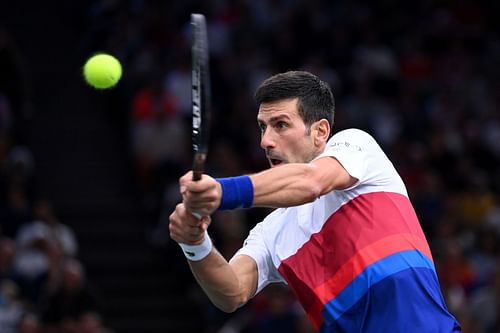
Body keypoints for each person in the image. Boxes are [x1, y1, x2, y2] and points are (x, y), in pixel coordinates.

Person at [169, 71, 461, 332]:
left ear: (320, 131)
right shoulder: (272, 231)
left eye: (280, 125)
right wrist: (194, 243)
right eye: (262, 127)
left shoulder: (357, 148)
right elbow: (231, 292)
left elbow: (311, 182)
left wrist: (223, 191)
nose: (265, 141)